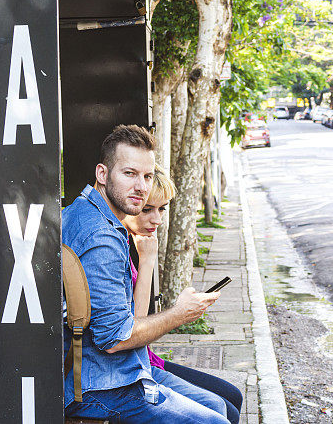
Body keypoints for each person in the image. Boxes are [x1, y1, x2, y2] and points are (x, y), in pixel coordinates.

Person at [61, 124, 227, 423]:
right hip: (99, 385)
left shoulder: (85, 212)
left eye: (147, 176)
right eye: (129, 173)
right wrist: (180, 314)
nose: (141, 186)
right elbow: (114, 339)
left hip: (113, 372)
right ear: (103, 174)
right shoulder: (101, 236)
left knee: (218, 406)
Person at [123, 165, 243, 424]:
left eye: (161, 209)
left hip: (145, 359)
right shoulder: (122, 246)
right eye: (147, 209)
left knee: (232, 397)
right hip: (133, 367)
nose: (157, 219)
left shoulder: (140, 241)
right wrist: (147, 263)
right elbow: (133, 326)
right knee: (222, 409)